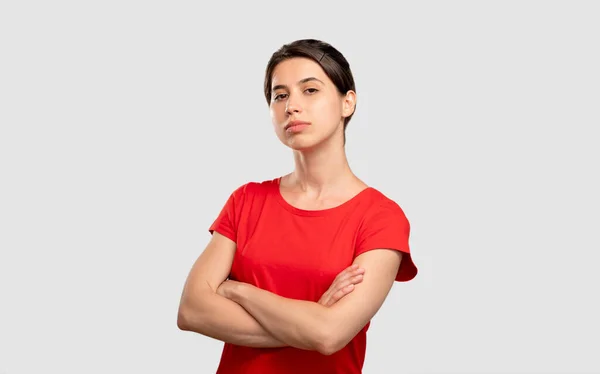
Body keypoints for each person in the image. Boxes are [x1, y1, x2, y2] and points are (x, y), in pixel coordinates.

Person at [177, 38, 418, 374]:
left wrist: (237, 290)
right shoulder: (246, 200)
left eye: (310, 90)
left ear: (347, 102)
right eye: (280, 95)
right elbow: (192, 310)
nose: (291, 106)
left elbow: (329, 334)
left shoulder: (380, 218)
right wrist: (310, 316)